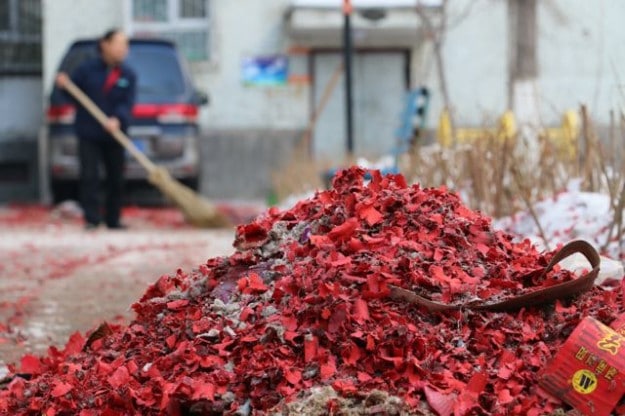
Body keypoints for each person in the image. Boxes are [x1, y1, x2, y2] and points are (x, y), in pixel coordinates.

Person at [56, 29, 137, 230]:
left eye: (125, 45)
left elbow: (127, 103)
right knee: (89, 176)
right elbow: (70, 95)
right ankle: (92, 219)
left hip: (115, 133)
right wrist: (64, 85)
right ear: (105, 44)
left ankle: (113, 219)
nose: (123, 49)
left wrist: (118, 119)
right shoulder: (86, 70)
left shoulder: (128, 74)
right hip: (89, 131)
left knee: (116, 177)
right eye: (119, 44)